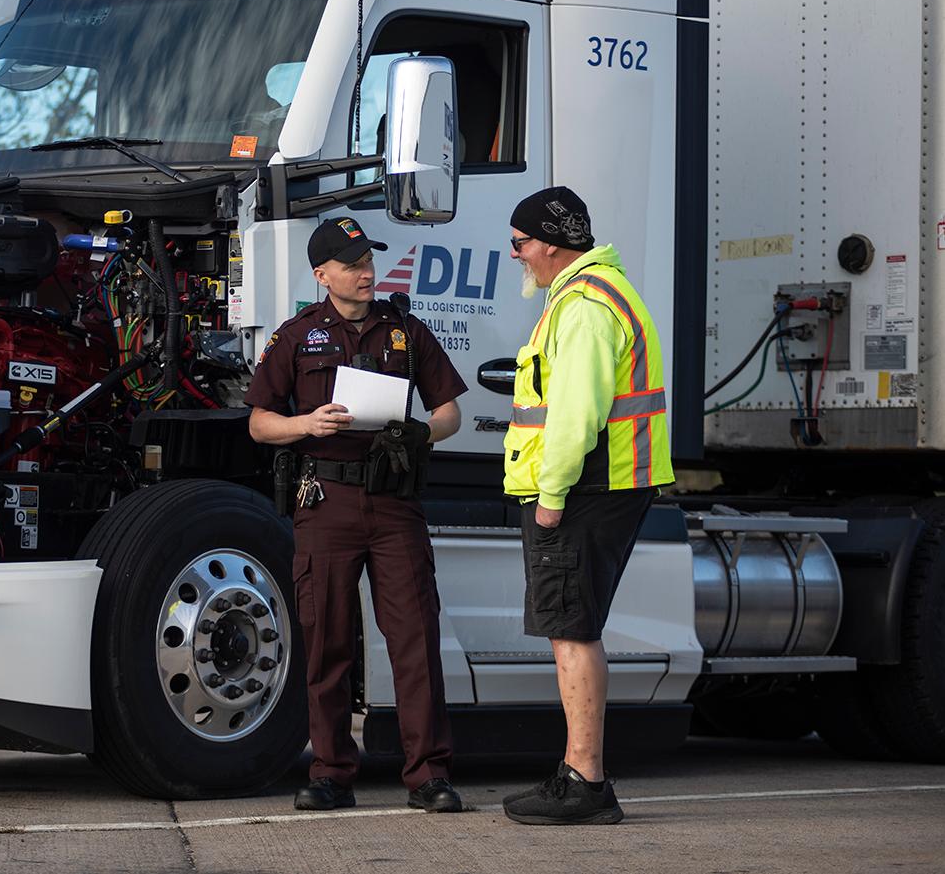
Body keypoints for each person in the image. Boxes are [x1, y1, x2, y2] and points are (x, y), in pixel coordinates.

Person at [245, 216, 467, 814]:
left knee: (414, 639)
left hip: (394, 503)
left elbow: (450, 412)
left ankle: (428, 776)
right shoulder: (296, 336)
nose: (366, 271)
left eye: (368, 259)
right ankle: (332, 774)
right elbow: (258, 421)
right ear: (323, 275)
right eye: (352, 263)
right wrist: (305, 425)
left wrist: (420, 431)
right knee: (328, 642)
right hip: (326, 503)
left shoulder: (405, 330)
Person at [498, 186, 675, 825]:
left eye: (519, 244)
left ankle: (585, 782)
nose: (517, 255)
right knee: (572, 628)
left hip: (583, 489)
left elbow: (575, 415)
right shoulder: (600, 292)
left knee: (571, 629)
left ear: (548, 243)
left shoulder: (584, 306)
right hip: (603, 484)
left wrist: (549, 498)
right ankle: (581, 775)